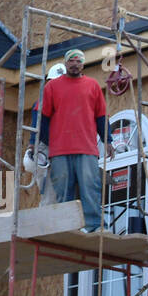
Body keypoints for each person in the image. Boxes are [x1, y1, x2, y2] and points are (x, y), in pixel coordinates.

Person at [36, 50, 113, 232]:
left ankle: (94, 226)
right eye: (71, 61)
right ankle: (66, 227)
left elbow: (101, 116)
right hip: (60, 150)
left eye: (78, 61)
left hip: (86, 147)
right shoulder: (52, 87)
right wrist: (47, 141)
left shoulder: (92, 86)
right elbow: (43, 118)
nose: (75, 64)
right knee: (63, 190)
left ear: (83, 64)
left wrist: (107, 140)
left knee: (90, 187)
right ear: (65, 63)